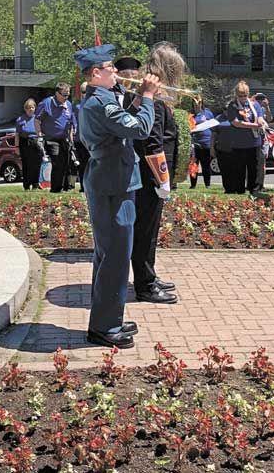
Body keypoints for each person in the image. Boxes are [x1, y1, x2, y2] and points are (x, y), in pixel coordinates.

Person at [75, 43, 159, 350]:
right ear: (96, 73)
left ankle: (109, 317)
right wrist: (148, 97)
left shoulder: (105, 99)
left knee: (110, 256)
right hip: (113, 185)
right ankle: (103, 327)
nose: (116, 73)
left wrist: (137, 100)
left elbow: (123, 126)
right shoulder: (101, 103)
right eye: (111, 68)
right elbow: (139, 130)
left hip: (115, 181)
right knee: (115, 258)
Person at [118, 46, 181, 305]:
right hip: (149, 175)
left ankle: (149, 276)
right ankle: (144, 284)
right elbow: (153, 143)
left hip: (149, 173)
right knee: (146, 230)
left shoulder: (151, 93)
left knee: (148, 230)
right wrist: (162, 179)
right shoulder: (152, 96)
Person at [225, 81, 267, 195]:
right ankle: (239, 190)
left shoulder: (254, 104)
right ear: (236, 95)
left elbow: (259, 117)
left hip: (254, 142)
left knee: (254, 167)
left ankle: (254, 189)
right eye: (240, 96)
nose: (243, 98)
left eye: (245, 95)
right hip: (239, 144)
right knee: (239, 169)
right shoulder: (232, 106)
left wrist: (260, 122)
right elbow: (236, 123)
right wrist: (253, 125)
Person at [35, 83, 74, 193]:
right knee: (57, 161)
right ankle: (56, 189)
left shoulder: (68, 105)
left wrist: (71, 138)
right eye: (64, 95)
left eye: (68, 95)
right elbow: (37, 120)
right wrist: (39, 135)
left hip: (64, 139)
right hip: (51, 138)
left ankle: (65, 187)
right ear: (57, 93)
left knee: (66, 163)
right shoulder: (46, 103)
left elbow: (70, 123)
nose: (66, 98)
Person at [15, 98, 42, 190]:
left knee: (36, 164)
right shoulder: (20, 119)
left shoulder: (38, 119)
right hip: (24, 143)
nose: (30, 109)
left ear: (35, 108)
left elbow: (41, 132)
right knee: (26, 164)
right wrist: (16, 147)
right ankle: (26, 185)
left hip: (36, 142)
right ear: (25, 109)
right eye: (28, 108)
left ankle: (35, 184)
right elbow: (17, 134)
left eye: (32, 107)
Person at [190, 98, 215, 189]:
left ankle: (207, 184)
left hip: (206, 143)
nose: (197, 105)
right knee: (193, 165)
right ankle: (193, 184)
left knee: (206, 165)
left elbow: (213, 126)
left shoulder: (208, 113)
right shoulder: (191, 115)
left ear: (202, 103)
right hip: (195, 145)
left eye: (199, 103)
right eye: (195, 103)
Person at [73, 82, 91, 192]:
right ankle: (84, 186)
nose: (85, 94)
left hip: (92, 140)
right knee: (83, 164)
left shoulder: (94, 104)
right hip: (80, 140)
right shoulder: (77, 107)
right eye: (83, 92)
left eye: (87, 92)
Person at [253, 93, 272, 191]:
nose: (260, 100)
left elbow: (269, 119)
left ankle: (261, 184)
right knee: (252, 162)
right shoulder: (252, 109)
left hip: (263, 139)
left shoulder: (264, 109)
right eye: (258, 99)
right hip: (253, 138)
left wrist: (267, 106)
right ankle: (251, 183)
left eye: (262, 98)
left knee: (262, 163)